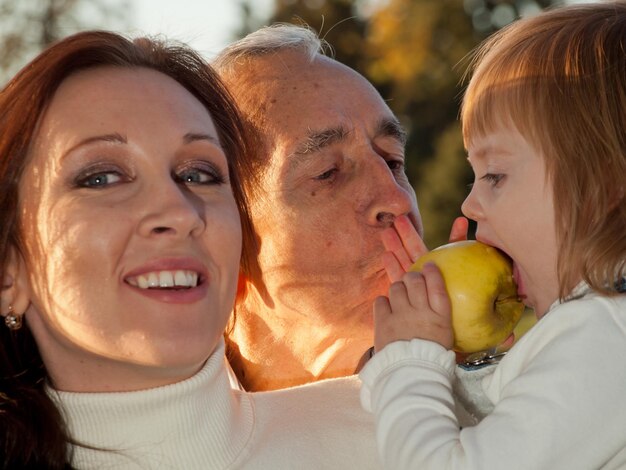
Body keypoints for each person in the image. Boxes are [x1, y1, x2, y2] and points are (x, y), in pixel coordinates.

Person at [0, 30, 381, 468]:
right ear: (9, 272)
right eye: (102, 177)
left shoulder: (417, 437)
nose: (179, 211)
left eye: (199, 174)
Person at [359, 2, 626, 468]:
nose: (469, 206)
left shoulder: (605, 333)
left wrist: (408, 362)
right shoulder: (594, 329)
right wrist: (453, 359)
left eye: (496, 175)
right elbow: (505, 427)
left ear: (603, 191)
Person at [213, 25, 466, 391]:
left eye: (393, 161)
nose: (397, 200)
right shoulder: (154, 434)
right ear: (225, 238)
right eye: (328, 173)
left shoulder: (490, 418)